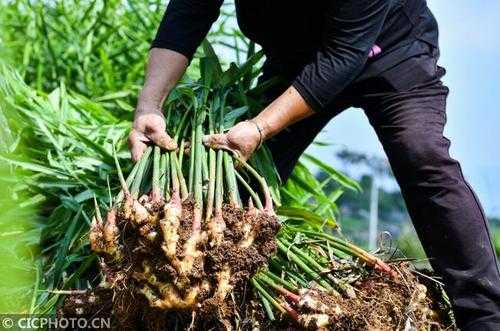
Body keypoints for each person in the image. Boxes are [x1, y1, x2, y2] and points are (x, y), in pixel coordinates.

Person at [128, 0, 500, 329]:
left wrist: (260, 127)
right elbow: (189, 12)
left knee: (422, 156)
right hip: (295, 64)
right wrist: (149, 106)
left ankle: (484, 315)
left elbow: (343, 55)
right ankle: (196, 303)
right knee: (235, 178)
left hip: (391, 52)